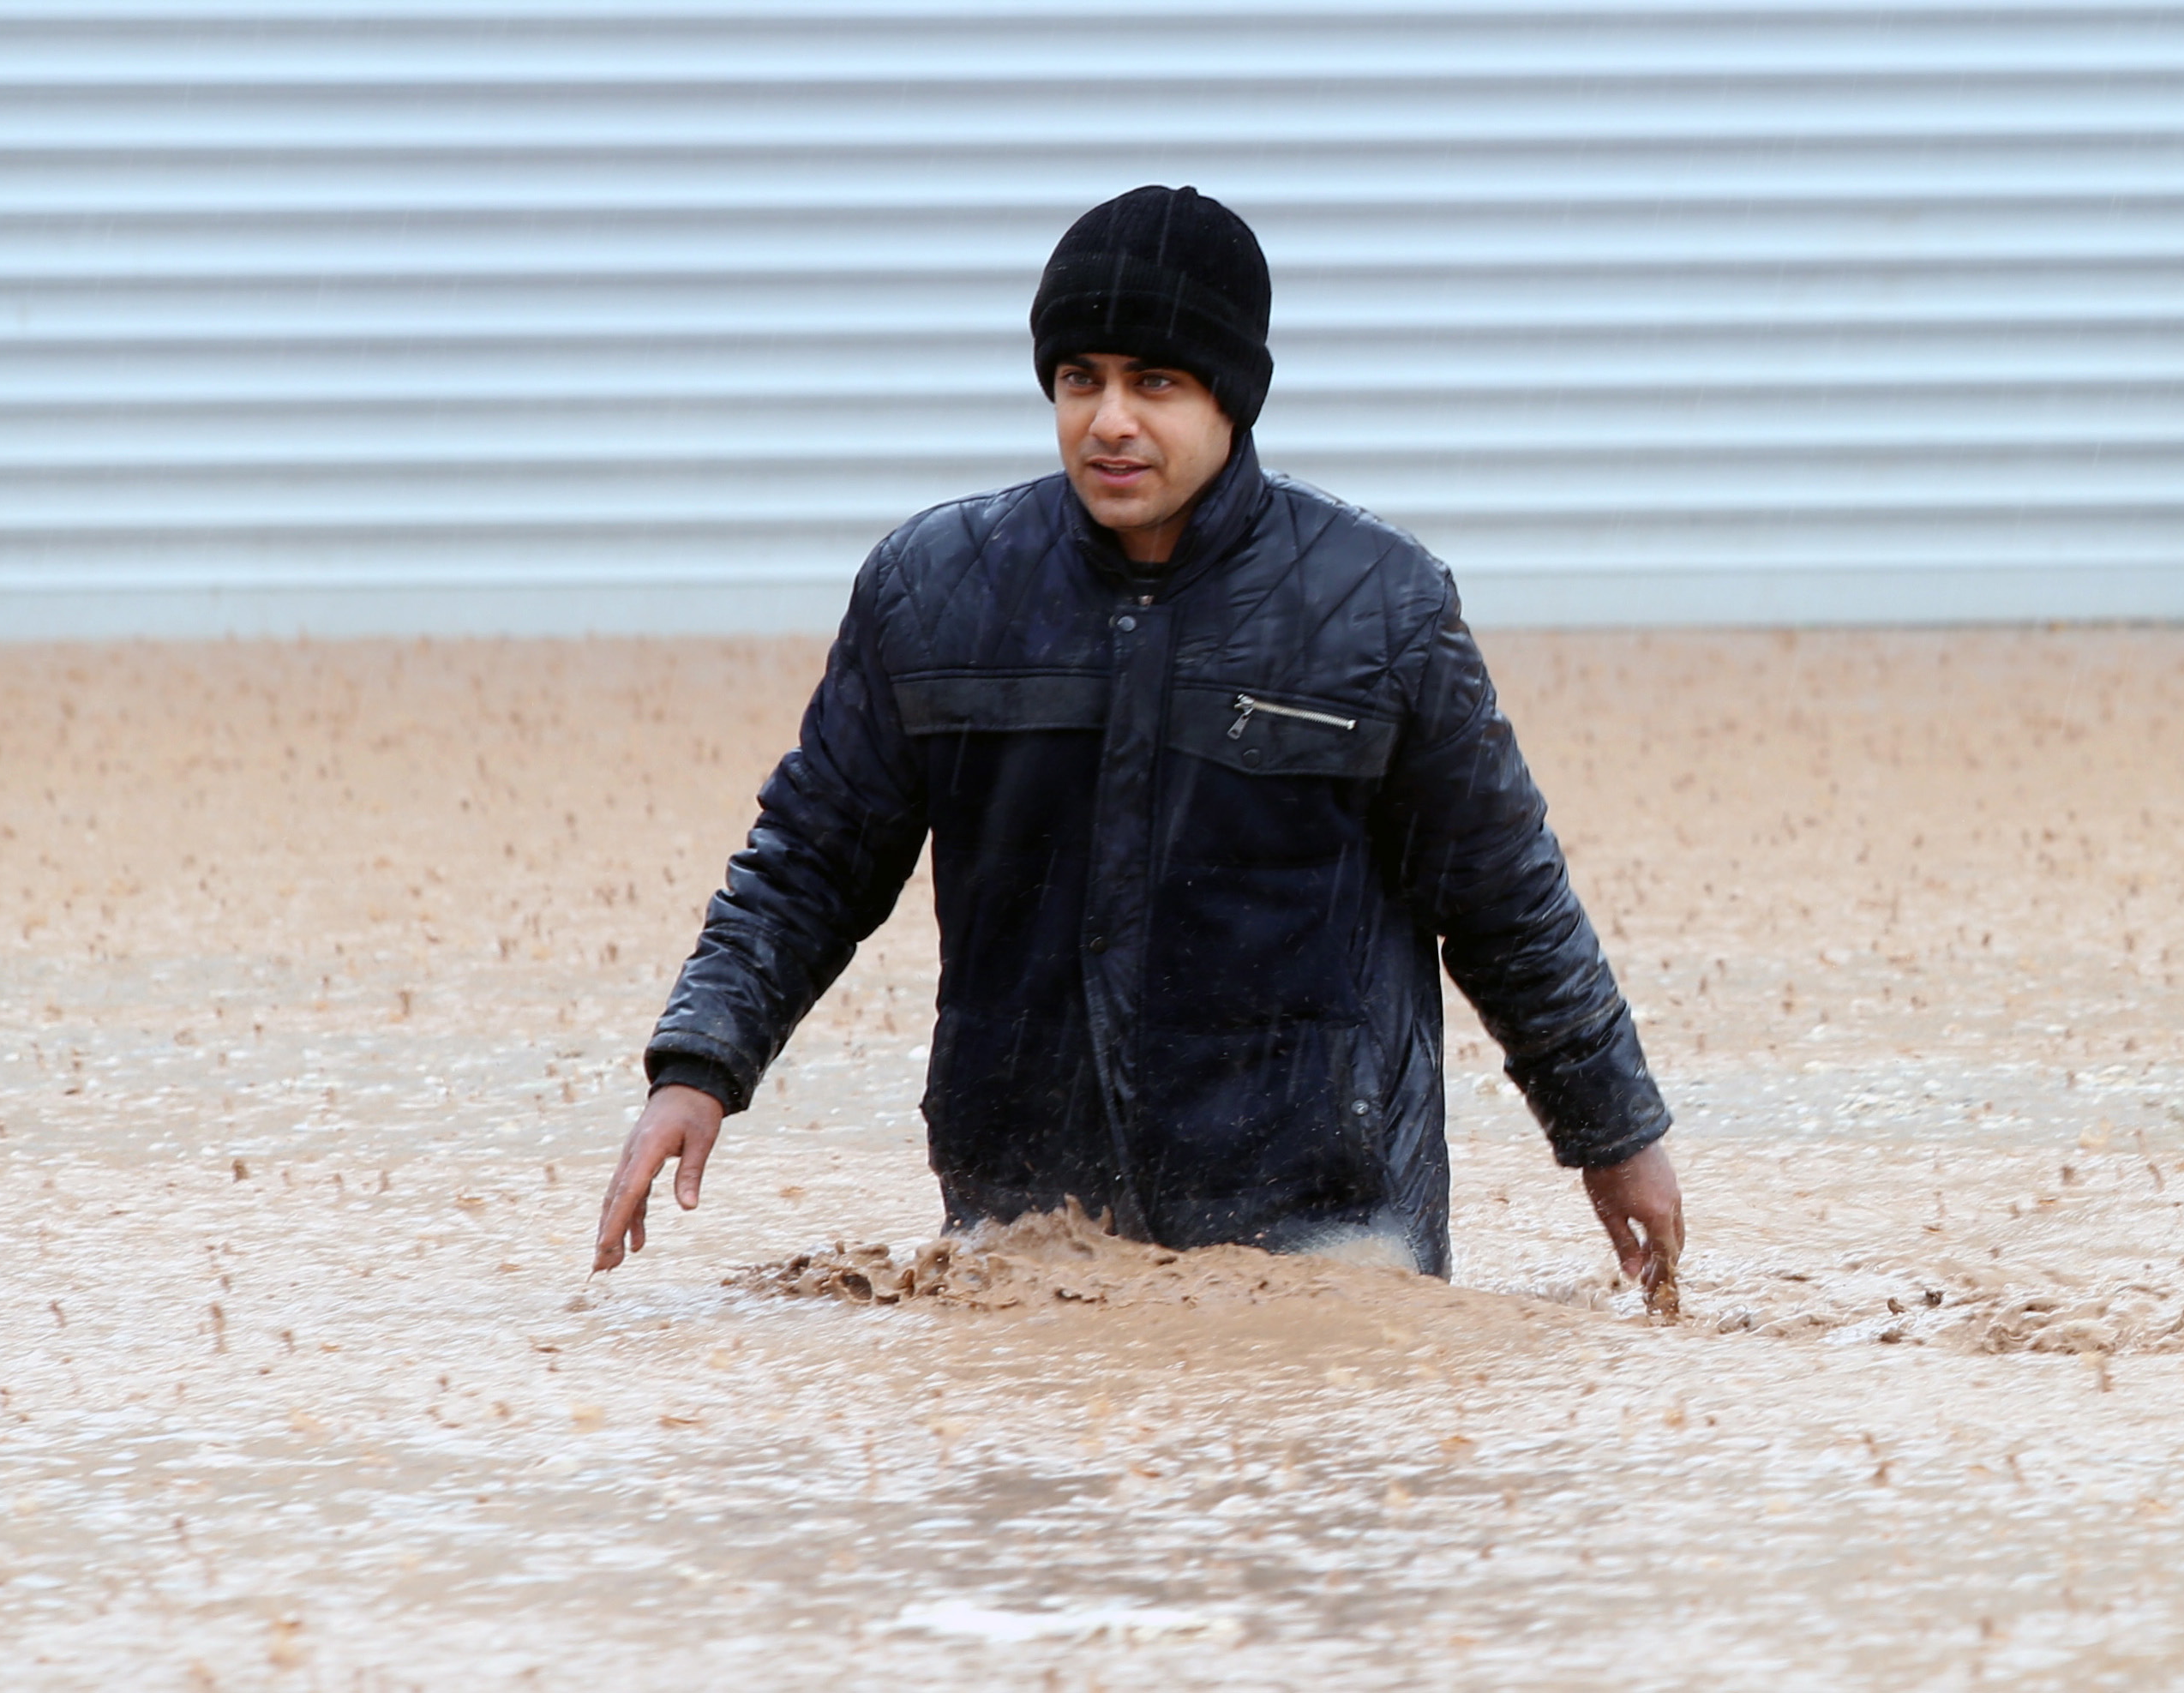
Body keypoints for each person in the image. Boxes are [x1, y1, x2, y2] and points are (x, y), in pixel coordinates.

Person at [592, 185, 1681, 1287]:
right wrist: (699, 1068)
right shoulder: (934, 595)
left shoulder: (1377, 609)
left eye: (1153, 381)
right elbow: (811, 861)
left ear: (1232, 398)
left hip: (1323, 1230)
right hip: (1026, 1228)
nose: (1110, 419)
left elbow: (1506, 901)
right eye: (1081, 380)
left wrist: (1614, 1140)